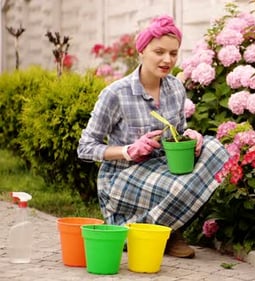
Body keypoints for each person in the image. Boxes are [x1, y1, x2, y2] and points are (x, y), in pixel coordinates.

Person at [77, 15, 229, 258]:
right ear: (141, 51)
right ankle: (152, 232)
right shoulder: (116, 93)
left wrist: (190, 137)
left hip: (163, 168)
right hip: (123, 175)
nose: (167, 60)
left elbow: (176, 133)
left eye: (173, 53)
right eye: (159, 51)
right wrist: (128, 150)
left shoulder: (175, 88)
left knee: (216, 148)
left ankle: (163, 230)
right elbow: (85, 148)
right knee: (180, 184)